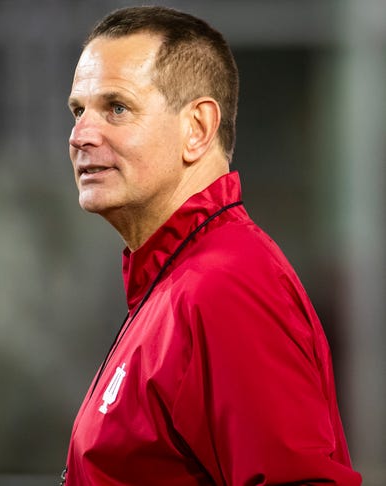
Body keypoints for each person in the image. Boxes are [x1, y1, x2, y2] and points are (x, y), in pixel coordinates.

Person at [61, 6, 361, 485]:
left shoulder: (225, 285)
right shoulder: (177, 279)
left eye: (116, 107)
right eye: (79, 110)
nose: (80, 136)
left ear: (197, 129)